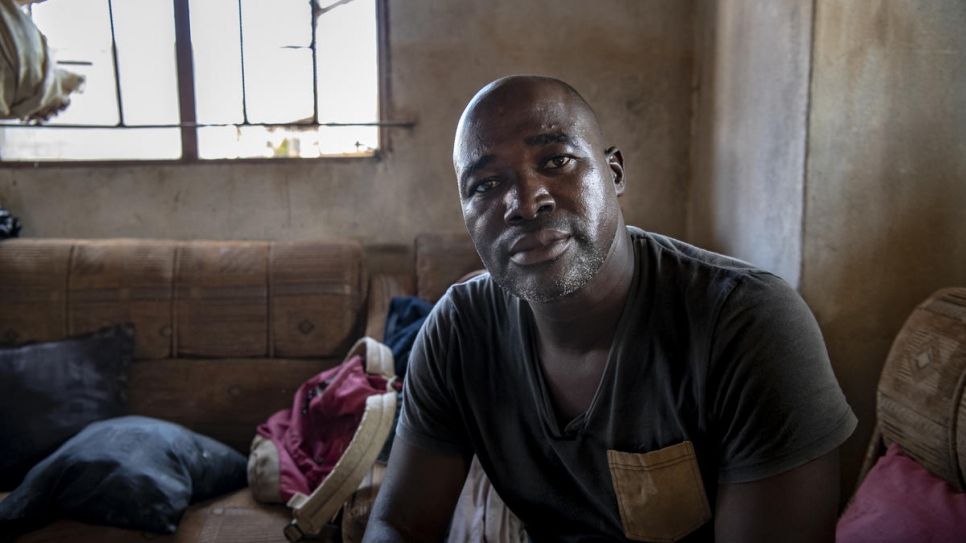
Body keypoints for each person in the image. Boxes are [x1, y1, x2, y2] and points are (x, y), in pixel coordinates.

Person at [363, 75, 856, 542]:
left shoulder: (747, 325)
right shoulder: (458, 330)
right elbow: (400, 524)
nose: (525, 202)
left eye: (555, 160)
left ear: (614, 173)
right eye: (486, 185)